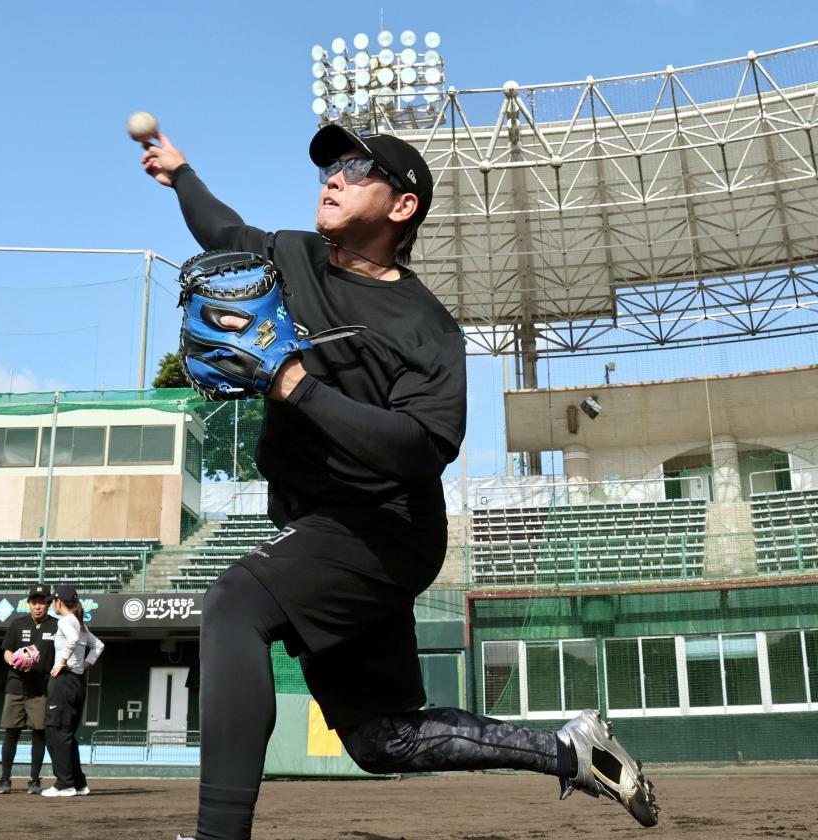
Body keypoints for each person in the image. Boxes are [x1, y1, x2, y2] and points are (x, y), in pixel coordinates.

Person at [140, 124, 658, 839]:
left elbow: (422, 447)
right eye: (329, 166)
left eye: (355, 168)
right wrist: (182, 172)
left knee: (234, 604)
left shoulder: (427, 328)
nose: (333, 176)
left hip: (386, 527)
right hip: (319, 522)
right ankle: (569, 750)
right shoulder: (291, 255)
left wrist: (295, 383)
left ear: (402, 206)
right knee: (381, 739)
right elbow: (221, 230)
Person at [41, 585, 104, 797]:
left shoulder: (66, 621)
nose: (51, 604)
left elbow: (73, 640)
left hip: (64, 680)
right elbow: (99, 646)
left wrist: (62, 662)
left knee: (55, 732)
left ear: (59, 602)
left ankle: (64, 783)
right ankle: (78, 783)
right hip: (77, 680)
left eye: (53, 601)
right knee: (66, 734)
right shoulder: (80, 623)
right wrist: (85, 665)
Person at [0, 584, 58, 795]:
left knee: (39, 733)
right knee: (11, 732)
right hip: (16, 684)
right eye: (34, 602)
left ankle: (34, 780)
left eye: (42, 602)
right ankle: (4, 779)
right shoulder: (17, 623)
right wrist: (13, 661)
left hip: (41, 687)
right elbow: (7, 651)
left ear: (48, 603)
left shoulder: (56, 626)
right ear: (29, 603)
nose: (38, 606)